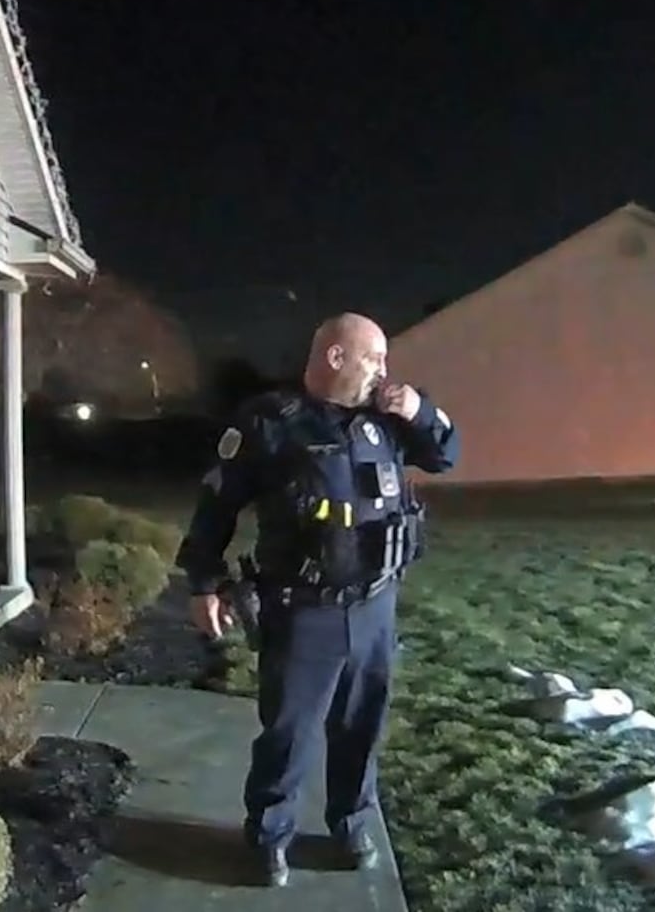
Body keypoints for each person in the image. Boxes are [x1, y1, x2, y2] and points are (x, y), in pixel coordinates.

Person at [175, 312, 460, 888]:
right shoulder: (270, 423)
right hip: (304, 608)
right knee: (290, 729)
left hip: (376, 606)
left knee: (362, 724)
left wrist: (421, 412)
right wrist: (203, 582)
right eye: (373, 359)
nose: (383, 371)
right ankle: (270, 835)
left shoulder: (387, 418)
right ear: (336, 358)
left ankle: (351, 823)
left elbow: (444, 454)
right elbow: (217, 507)